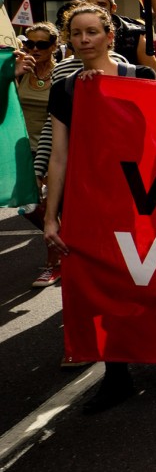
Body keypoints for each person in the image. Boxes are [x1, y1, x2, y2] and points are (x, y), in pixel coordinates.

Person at [43, 4, 156, 412]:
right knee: (101, 284)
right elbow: (60, 155)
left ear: (110, 35)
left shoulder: (139, 78)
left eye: (93, 31)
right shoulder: (66, 89)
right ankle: (117, 372)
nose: (85, 39)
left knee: (149, 278)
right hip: (91, 201)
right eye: (77, 33)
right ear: (69, 40)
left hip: (142, 199)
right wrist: (51, 215)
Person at [14, 23, 58, 285]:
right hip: (23, 149)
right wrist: (14, 74)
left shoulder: (62, 72)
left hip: (53, 149)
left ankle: (53, 264)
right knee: (28, 207)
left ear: (53, 46)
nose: (34, 49)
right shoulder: (20, 71)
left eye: (41, 44)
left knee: (47, 207)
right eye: (29, 44)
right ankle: (64, 240)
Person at [79, 0, 156, 80]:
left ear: (113, 8)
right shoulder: (77, 33)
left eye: (101, 5)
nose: (96, 9)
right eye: (91, 5)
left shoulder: (133, 34)